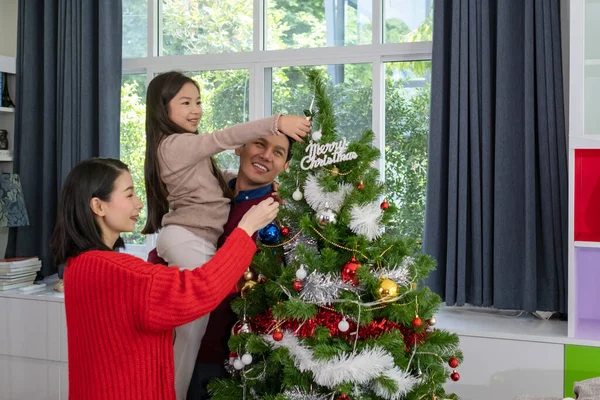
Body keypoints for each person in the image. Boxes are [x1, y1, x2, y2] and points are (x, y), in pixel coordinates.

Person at [50, 158, 280, 400]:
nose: (139, 203)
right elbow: (202, 288)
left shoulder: (79, 265)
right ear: (98, 206)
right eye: (129, 195)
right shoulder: (119, 272)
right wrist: (246, 229)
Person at [142, 71, 310, 399]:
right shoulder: (216, 187)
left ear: (285, 167)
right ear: (239, 148)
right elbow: (162, 259)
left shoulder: (274, 215)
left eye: (278, 152)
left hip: (237, 357)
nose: (265, 155)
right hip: (187, 348)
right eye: (259, 143)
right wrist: (276, 122)